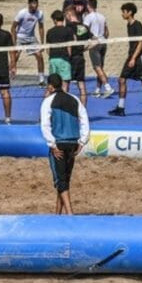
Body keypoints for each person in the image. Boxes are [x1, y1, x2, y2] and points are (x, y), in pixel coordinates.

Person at [39, 72, 89, 215]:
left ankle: (70, 214)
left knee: (60, 182)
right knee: (65, 181)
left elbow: (45, 125)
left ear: (50, 86)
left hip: (59, 144)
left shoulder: (48, 102)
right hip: (73, 142)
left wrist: (52, 144)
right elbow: (84, 119)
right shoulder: (74, 99)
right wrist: (82, 141)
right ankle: (57, 215)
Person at [109, 2, 142, 118]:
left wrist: (134, 58)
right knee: (121, 80)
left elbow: (141, 43)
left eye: (124, 11)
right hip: (131, 56)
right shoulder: (129, 25)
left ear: (129, 12)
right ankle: (120, 108)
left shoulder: (138, 25)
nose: (122, 14)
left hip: (139, 58)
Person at [11, 0, 45, 83]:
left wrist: (42, 43)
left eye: (36, 6)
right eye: (33, 6)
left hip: (31, 38)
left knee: (39, 55)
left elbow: (41, 28)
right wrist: (14, 43)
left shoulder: (39, 14)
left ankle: (41, 78)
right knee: (15, 56)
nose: (34, 8)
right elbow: (13, 28)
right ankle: (10, 74)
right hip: (20, 36)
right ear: (29, 4)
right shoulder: (22, 13)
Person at [84, 0, 113, 98]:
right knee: (100, 67)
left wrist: (88, 42)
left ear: (88, 6)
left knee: (97, 67)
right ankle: (97, 89)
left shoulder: (88, 17)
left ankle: (108, 87)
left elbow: (84, 30)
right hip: (103, 43)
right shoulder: (102, 16)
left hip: (95, 43)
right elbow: (107, 32)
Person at [45, 10, 75, 89]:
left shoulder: (50, 31)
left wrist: (52, 55)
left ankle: (52, 100)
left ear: (54, 20)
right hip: (64, 59)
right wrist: (68, 57)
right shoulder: (68, 30)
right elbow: (69, 47)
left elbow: (47, 48)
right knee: (65, 83)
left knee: (52, 84)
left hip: (53, 59)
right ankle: (64, 100)